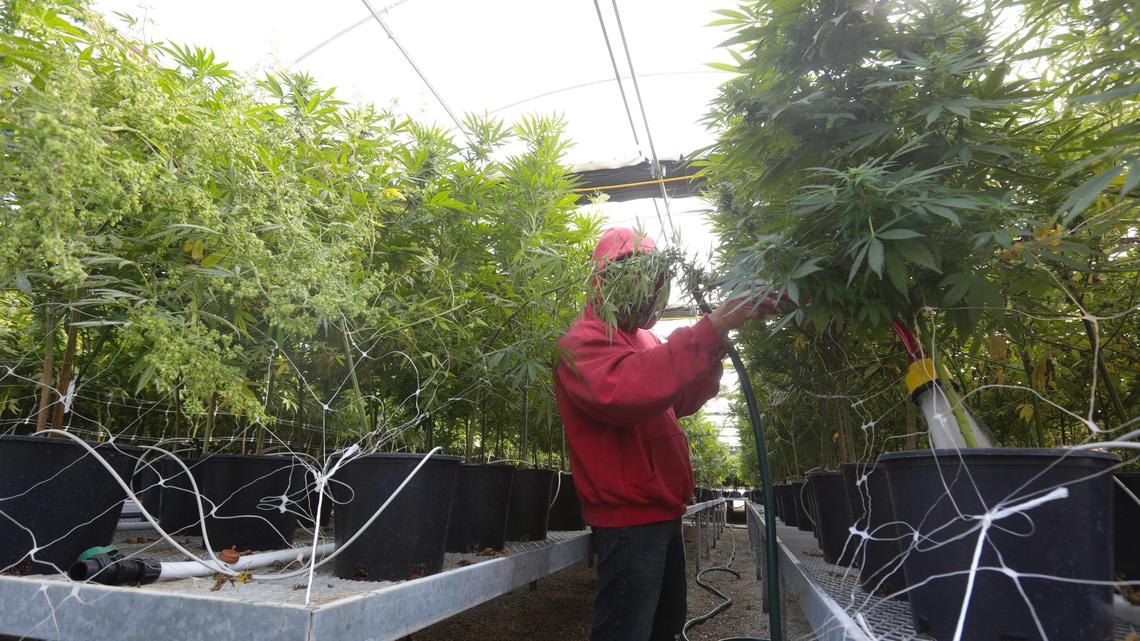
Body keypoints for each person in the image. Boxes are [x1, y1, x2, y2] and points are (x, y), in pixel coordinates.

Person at [553, 227, 780, 641]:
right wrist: (711, 327)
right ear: (607, 280)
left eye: (655, 281)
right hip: (628, 518)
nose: (649, 292)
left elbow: (679, 396)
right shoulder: (581, 342)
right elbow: (630, 392)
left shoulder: (643, 338)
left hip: (662, 510)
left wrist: (716, 339)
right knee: (626, 629)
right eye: (641, 279)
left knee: (665, 623)